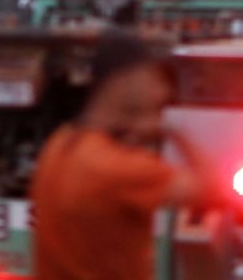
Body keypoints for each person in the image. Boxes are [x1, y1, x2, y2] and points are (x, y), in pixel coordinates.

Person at [31, 34, 220, 280]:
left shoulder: (58, 146)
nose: (161, 89)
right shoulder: (119, 170)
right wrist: (172, 130)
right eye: (151, 79)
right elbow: (212, 190)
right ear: (124, 83)